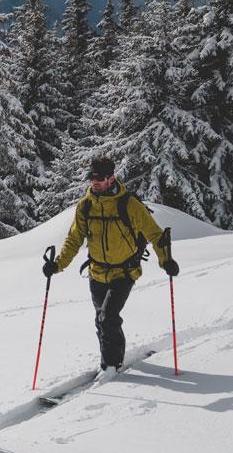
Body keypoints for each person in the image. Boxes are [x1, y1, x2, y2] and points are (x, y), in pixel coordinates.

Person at [43, 156, 180, 380]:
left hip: (124, 272)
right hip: (96, 272)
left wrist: (166, 260)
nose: (95, 182)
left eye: (99, 178)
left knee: (107, 318)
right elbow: (74, 239)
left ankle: (111, 366)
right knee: (101, 320)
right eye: (92, 178)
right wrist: (57, 264)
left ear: (111, 178)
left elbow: (155, 234)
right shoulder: (86, 205)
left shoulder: (129, 204)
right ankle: (111, 359)